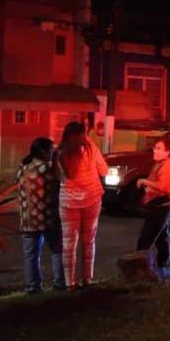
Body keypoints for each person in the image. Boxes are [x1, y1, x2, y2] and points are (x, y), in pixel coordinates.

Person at [57, 121, 108, 291]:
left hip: (68, 201)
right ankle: (88, 279)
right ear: (82, 134)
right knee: (89, 241)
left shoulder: (60, 152)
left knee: (69, 243)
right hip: (92, 198)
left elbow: (59, 177)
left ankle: (70, 283)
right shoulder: (90, 148)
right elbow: (104, 171)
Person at [17, 137, 66, 293]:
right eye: (51, 150)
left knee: (31, 256)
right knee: (58, 251)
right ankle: (59, 284)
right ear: (44, 152)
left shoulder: (23, 168)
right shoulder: (48, 168)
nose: (53, 153)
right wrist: (57, 159)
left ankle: (33, 287)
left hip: (27, 220)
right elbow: (62, 180)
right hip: (48, 218)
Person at [136, 137, 170, 271]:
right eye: (155, 147)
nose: (155, 150)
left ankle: (141, 269)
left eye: (159, 148)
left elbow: (163, 187)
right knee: (161, 237)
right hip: (158, 204)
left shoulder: (168, 165)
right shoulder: (160, 163)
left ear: (167, 152)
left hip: (162, 204)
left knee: (146, 239)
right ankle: (162, 266)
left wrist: (144, 182)